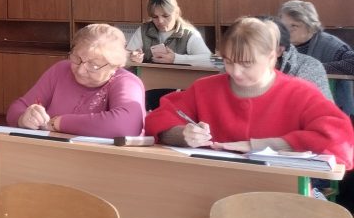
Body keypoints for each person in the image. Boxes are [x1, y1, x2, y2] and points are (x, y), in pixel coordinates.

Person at [144, 18, 353, 168]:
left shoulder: (301, 93)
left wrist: (266, 146)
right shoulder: (205, 88)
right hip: (213, 183)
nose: (235, 72)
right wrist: (181, 134)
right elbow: (158, 118)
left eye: (246, 64)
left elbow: (341, 141)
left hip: (281, 191)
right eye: (228, 62)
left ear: (271, 57)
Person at [6, 23, 144, 137]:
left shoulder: (127, 82)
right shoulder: (61, 70)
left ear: (115, 67)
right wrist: (23, 118)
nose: (80, 70)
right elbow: (17, 107)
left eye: (94, 65)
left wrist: (58, 123)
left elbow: (125, 125)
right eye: (77, 58)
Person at [279, 0, 354, 114]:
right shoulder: (281, 45)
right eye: (283, 26)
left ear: (310, 27)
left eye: (294, 26)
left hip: (331, 109)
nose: (286, 31)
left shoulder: (329, 44)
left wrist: (315, 68)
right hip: (292, 107)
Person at [256, 15, 332, 102]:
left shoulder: (309, 67)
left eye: (260, 46)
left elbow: (321, 107)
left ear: (279, 50)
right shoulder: (245, 68)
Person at [126, 0, 211, 64]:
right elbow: (123, 59)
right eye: (155, 17)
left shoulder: (189, 34)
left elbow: (212, 61)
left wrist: (176, 59)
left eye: (166, 16)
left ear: (176, 13)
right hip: (148, 76)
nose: (160, 21)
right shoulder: (143, 30)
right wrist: (132, 58)